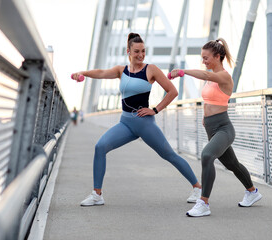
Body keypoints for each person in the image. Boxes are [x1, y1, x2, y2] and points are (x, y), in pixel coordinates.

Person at [71, 33, 202, 207]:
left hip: (144, 125)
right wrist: (83, 73)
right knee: (100, 147)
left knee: (169, 155)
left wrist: (154, 110)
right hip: (125, 123)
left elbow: (172, 92)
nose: (141, 55)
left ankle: (198, 188)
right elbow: (102, 73)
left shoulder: (151, 69)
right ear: (128, 51)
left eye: (143, 51)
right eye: (137, 51)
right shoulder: (121, 70)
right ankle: (97, 195)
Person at [169, 38, 262, 217]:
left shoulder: (223, 76)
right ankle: (252, 192)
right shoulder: (211, 77)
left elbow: (206, 75)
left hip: (224, 128)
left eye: (206, 58)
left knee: (207, 155)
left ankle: (203, 203)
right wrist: (205, 117)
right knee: (232, 164)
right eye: (202, 58)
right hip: (211, 127)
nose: (203, 62)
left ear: (218, 56)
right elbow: (210, 100)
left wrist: (183, 71)